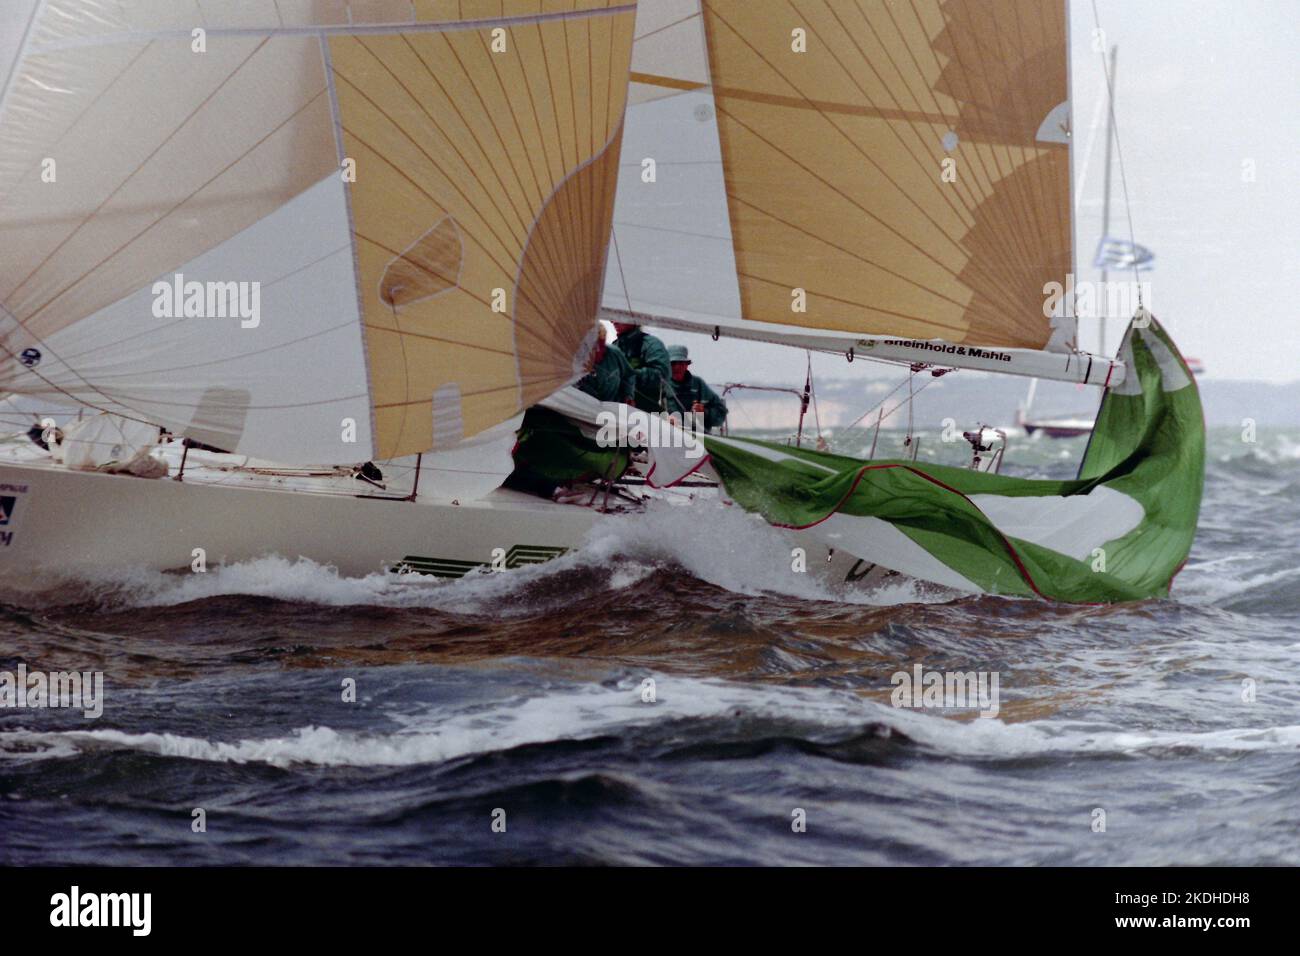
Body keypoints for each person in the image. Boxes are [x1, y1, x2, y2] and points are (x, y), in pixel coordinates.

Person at [611, 321, 671, 413]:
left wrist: (630, 376)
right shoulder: (614, 346)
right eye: (611, 318)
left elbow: (662, 375)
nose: (613, 322)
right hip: (618, 411)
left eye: (618, 317)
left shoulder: (651, 344)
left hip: (647, 413)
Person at [666, 345, 728, 433]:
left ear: (687, 365)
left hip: (697, 440)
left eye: (681, 363)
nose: (677, 367)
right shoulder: (660, 386)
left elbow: (720, 414)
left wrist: (705, 412)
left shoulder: (699, 385)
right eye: (673, 363)